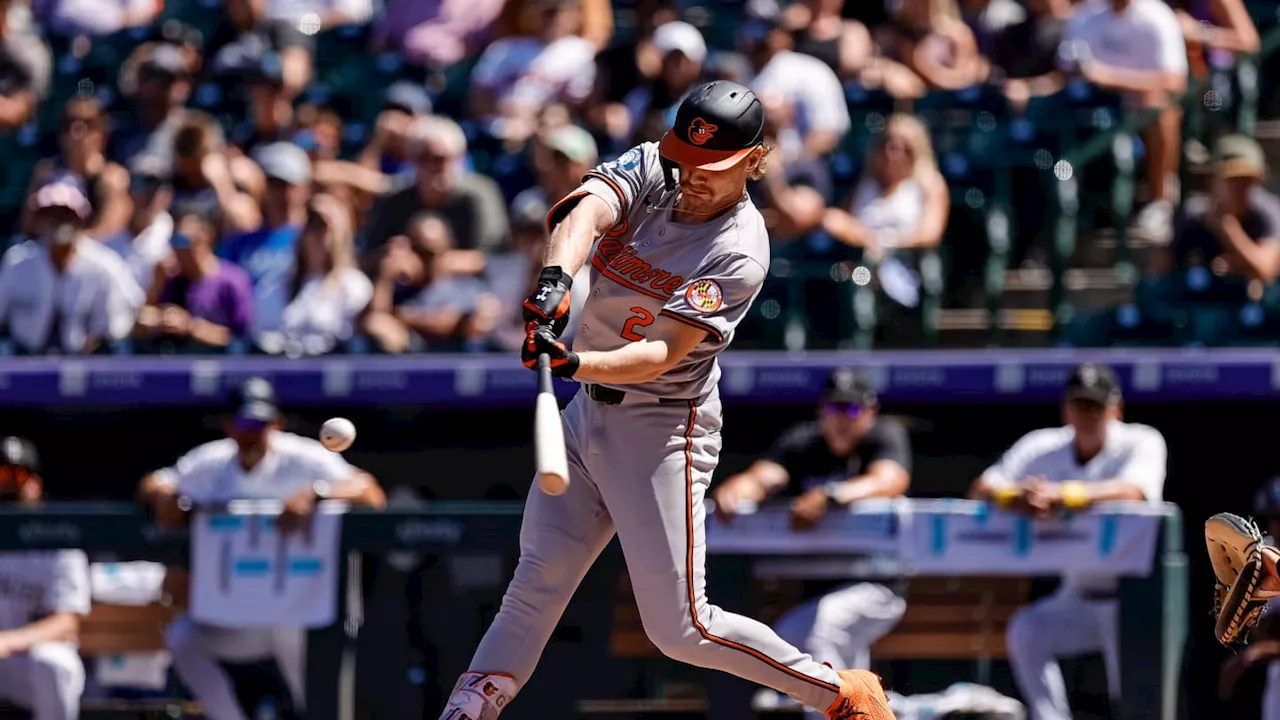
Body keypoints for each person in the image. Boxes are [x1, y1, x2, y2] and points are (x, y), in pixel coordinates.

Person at [437, 81, 895, 720]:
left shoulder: (739, 249)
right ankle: (470, 708)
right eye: (688, 158)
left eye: (714, 167)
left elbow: (661, 353)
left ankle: (842, 694)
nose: (692, 177)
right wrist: (554, 281)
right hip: (586, 416)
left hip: (661, 430)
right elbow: (586, 211)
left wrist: (573, 360)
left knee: (681, 628)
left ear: (755, 161)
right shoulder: (660, 165)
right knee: (535, 579)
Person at [136, 378, 386, 720]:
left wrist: (316, 492)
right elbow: (155, 482)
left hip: (298, 612)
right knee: (184, 638)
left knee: (312, 694)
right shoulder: (212, 462)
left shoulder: (303, 457)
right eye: (243, 423)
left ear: (277, 424)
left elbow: (371, 493)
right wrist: (162, 497)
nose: (251, 431)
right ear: (228, 425)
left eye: (259, 423)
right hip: (239, 613)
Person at [967, 363, 1168, 720]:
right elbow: (982, 487)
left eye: (1095, 405)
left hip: (1132, 599)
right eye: (1079, 404)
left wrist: (1067, 496)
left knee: (1133, 700)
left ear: (1115, 409)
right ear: (1066, 408)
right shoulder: (1043, 446)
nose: (1087, 414)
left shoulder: (1142, 439)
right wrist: (1014, 497)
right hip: (1076, 596)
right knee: (1027, 630)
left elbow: (1134, 490)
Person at [712, 368, 912, 719]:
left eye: (852, 410)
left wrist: (832, 495)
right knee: (785, 639)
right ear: (822, 411)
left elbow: (890, 479)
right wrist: (738, 490)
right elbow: (764, 477)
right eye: (835, 409)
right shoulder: (804, 442)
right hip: (820, 591)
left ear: (870, 411)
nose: (842, 419)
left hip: (877, 586)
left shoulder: (884, 437)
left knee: (826, 628)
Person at [0, 436, 89, 720]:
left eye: (17, 475)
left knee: (52, 661)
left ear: (35, 483)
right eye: (1, 475)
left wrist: (8, 641)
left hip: (30, 665)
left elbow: (66, 622)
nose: (9, 485)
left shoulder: (58, 538)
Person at [0, 177, 142, 354]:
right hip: (24, 362)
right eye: (50, 214)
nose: (58, 222)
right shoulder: (17, 261)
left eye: (66, 214)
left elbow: (117, 328)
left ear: (81, 219)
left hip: (87, 365)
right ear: (38, 220)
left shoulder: (105, 265)